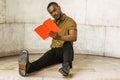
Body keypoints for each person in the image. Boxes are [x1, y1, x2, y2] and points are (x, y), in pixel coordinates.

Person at [18, 2, 77, 77]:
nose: (53, 14)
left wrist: (58, 37)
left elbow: (74, 37)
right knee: (43, 60)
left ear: (59, 8)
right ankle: (27, 68)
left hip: (66, 51)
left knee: (67, 44)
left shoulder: (70, 21)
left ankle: (66, 67)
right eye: (51, 13)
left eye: (54, 10)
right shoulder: (52, 23)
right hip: (54, 51)